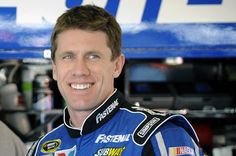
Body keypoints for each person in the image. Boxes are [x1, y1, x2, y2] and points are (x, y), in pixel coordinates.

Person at [28, 4, 203, 156]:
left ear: (117, 65)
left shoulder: (160, 135)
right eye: (68, 57)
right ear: (55, 68)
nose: (80, 70)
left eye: (93, 56)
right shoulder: (41, 149)